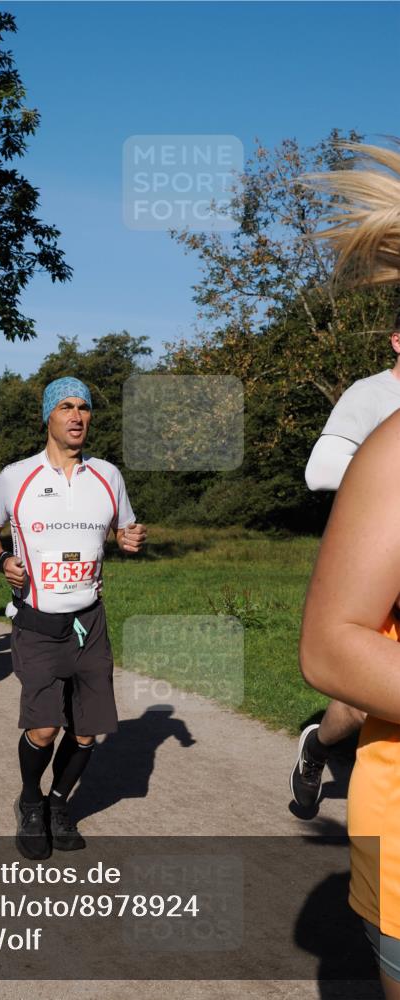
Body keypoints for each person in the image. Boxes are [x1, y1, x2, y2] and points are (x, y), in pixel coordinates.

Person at [299, 139, 400, 997]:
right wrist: (368, 492)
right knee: (346, 695)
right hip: (364, 566)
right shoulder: (378, 408)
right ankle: (317, 747)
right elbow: (318, 472)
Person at [0, 377, 146, 859]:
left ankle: (57, 805)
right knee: (44, 728)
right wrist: (0, 560)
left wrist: (131, 538)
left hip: (89, 621)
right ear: (48, 416)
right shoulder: (16, 476)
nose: (77, 416)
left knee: (88, 731)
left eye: (84, 408)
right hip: (36, 621)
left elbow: (123, 529)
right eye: (67, 407)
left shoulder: (108, 475)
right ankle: (30, 802)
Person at [291, 313, 400, 808]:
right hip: (376, 567)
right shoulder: (371, 395)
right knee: (360, 704)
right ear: (397, 342)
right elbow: (320, 470)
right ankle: (317, 747)